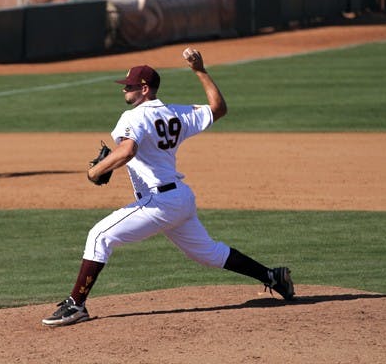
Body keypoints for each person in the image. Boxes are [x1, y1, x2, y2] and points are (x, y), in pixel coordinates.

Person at [42, 47, 295, 327]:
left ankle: (76, 305)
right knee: (210, 253)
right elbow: (218, 109)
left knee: (99, 235)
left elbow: (126, 151)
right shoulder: (176, 114)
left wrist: (95, 171)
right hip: (179, 199)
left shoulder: (133, 117)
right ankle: (273, 276)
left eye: (129, 86)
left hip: (159, 201)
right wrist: (200, 71)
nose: (124, 90)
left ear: (145, 89)